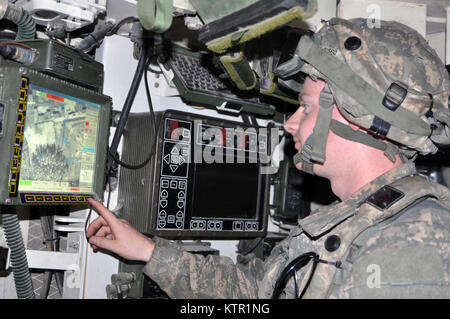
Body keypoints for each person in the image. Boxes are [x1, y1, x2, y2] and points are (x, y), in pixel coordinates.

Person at [87, 18, 450, 298]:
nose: (290, 124)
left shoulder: (410, 242)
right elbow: (256, 293)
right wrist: (147, 251)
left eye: (305, 108)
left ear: (357, 117)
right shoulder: (359, 220)